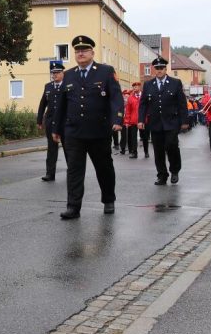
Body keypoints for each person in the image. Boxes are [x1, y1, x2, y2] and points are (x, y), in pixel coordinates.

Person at [51, 35, 123, 219]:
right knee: (74, 170)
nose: (80, 53)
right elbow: (61, 105)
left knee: (104, 167)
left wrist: (117, 119)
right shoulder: (68, 75)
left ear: (92, 52)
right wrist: (56, 128)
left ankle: (108, 199)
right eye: (77, 51)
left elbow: (115, 98)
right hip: (74, 132)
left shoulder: (106, 72)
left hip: (99, 130)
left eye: (84, 50)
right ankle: (73, 207)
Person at [138, 55, 188, 185]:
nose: (159, 70)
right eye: (157, 68)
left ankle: (175, 170)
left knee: (172, 146)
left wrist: (184, 122)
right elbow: (143, 104)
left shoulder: (175, 83)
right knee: (158, 150)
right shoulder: (148, 85)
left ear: (166, 69)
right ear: (154, 69)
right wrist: (141, 119)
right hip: (155, 123)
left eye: (161, 68)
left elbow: (182, 103)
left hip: (171, 122)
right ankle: (162, 175)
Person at [36, 60, 66, 180]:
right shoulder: (48, 86)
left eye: (57, 73)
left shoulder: (67, 86)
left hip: (64, 123)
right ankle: (50, 173)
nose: (55, 75)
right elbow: (43, 104)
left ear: (62, 73)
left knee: (68, 149)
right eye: (53, 73)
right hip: (51, 122)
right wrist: (39, 120)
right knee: (51, 149)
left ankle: (72, 174)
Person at [122, 81, 142, 158]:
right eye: (133, 87)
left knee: (145, 136)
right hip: (133, 120)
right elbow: (128, 110)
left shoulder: (144, 96)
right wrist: (127, 121)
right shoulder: (130, 97)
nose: (134, 88)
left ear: (139, 87)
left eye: (136, 86)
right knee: (133, 137)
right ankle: (134, 152)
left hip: (142, 120)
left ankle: (146, 151)